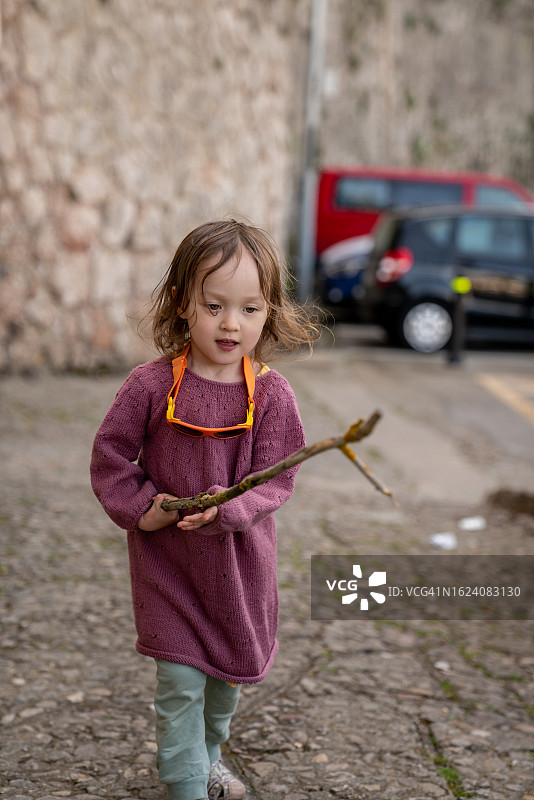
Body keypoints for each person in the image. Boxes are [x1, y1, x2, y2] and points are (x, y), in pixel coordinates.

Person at [90, 219, 320, 800]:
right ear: (182, 303)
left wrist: (231, 509)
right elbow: (111, 456)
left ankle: (208, 755)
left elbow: (278, 478)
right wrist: (146, 508)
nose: (230, 324)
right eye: (214, 305)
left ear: (269, 313)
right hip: (169, 567)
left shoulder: (272, 395)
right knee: (179, 684)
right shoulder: (148, 386)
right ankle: (187, 783)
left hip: (238, 573)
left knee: (225, 686)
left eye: (248, 309)